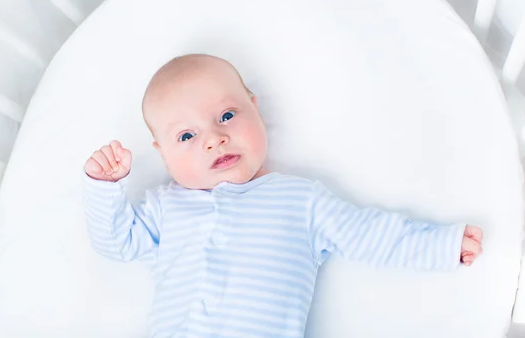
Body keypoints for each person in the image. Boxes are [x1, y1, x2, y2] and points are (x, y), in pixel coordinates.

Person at [82, 54, 483, 338]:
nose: (215, 139)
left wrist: (438, 245)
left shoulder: (299, 201)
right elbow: (116, 242)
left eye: (226, 116)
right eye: (187, 136)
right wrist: (104, 188)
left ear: (254, 108)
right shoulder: (164, 209)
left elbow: (368, 234)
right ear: (162, 154)